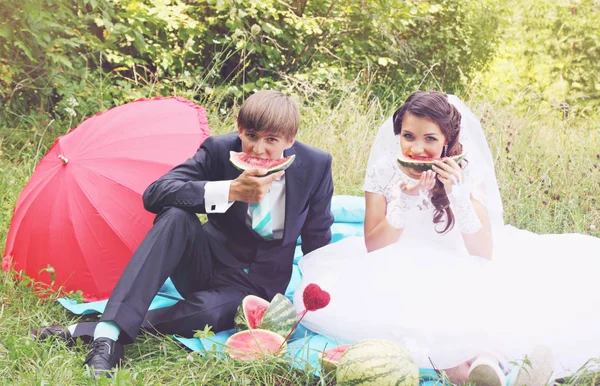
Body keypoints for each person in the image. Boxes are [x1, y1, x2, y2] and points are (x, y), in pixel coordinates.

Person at [293, 91, 600, 385]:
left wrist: (459, 195)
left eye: (430, 139)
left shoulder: (463, 173)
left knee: (488, 315)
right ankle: (492, 374)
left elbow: (482, 252)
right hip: (394, 266)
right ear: (398, 135)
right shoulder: (383, 171)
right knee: (419, 327)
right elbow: (374, 246)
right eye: (408, 136)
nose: (416, 150)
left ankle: (493, 366)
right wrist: (407, 201)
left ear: (447, 141)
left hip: (459, 264)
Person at [32, 90, 335, 377]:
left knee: (205, 314)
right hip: (205, 262)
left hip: (255, 286)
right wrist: (228, 190)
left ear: (290, 139)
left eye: (271, 140)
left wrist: (318, 293)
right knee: (176, 215)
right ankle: (108, 341)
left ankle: (94, 330)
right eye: (251, 136)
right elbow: (155, 194)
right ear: (239, 128)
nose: (257, 149)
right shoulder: (218, 150)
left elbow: (318, 234)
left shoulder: (317, 165)